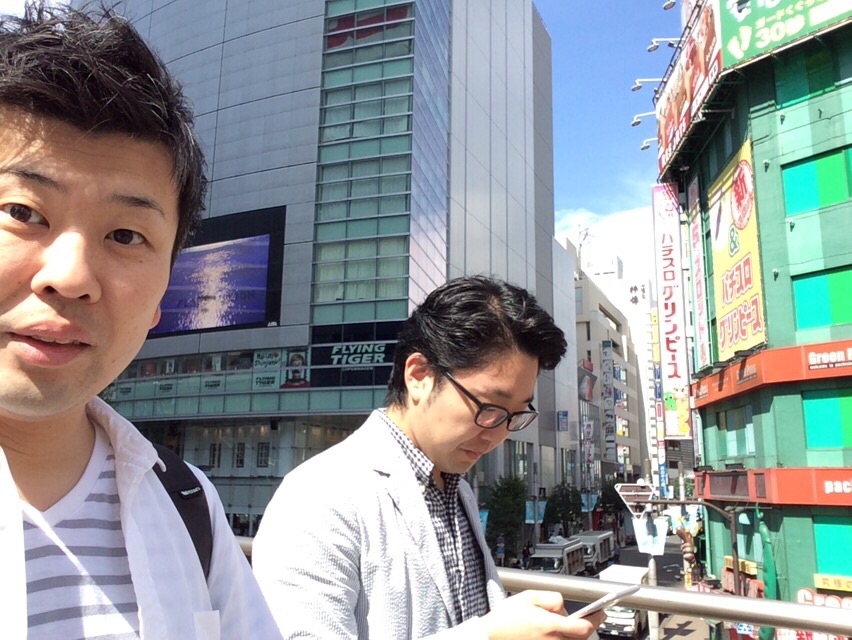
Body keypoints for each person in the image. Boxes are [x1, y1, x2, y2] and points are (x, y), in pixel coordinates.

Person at [0, 4, 280, 638]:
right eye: (23, 212)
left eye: (126, 235)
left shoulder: (188, 506)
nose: (71, 275)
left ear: (162, 296)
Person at [254, 276, 605, 639]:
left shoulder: (457, 487)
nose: (499, 434)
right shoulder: (317, 496)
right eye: (489, 407)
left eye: (516, 415)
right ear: (419, 375)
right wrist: (487, 636)